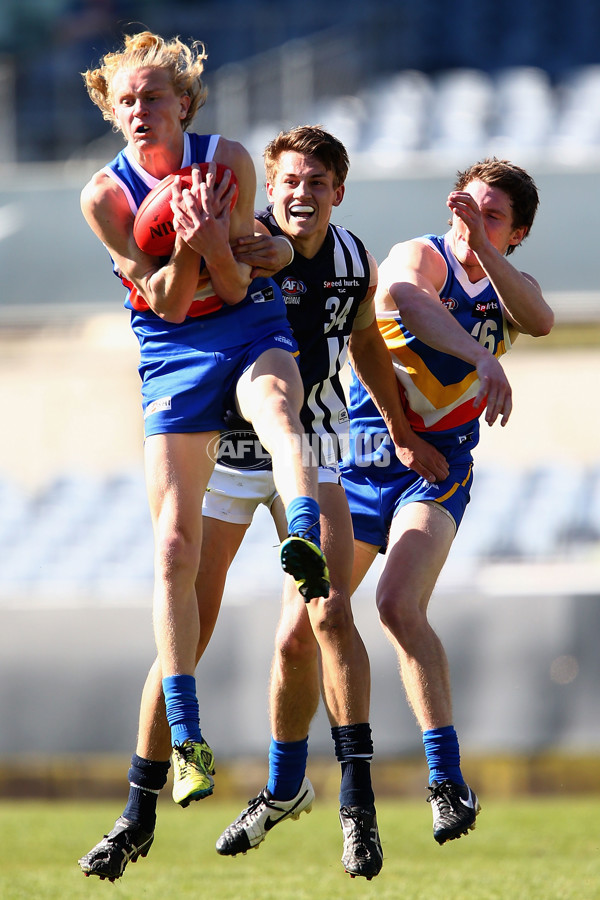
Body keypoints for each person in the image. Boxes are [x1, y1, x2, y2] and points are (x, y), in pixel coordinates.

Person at [78, 124, 447, 882]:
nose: (300, 194)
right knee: (189, 627)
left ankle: (357, 806)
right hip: (223, 447)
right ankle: (137, 812)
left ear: (338, 193)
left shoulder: (354, 260)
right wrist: (234, 248)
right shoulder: (249, 232)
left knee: (329, 615)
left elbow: (366, 347)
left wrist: (403, 433)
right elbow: (204, 285)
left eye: (317, 183)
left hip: (311, 446)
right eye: (288, 183)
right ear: (266, 191)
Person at [76, 32, 330, 879]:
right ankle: (186, 740)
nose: (143, 110)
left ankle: (305, 537)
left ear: (185, 103)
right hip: (170, 345)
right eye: (128, 101)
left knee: (278, 410)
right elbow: (172, 298)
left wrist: (228, 245)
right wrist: (190, 243)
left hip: (243, 321)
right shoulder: (104, 196)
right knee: (174, 548)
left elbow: (232, 287)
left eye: (157, 96)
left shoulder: (227, 160)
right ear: (112, 113)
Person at [340, 158, 554, 845]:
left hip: (437, 468)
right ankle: (322, 792)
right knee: (307, 620)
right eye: (468, 205)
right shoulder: (419, 255)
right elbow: (405, 299)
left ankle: (445, 777)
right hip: (366, 457)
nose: (471, 221)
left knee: (397, 605)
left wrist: (488, 254)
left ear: (516, 233)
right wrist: (483, 358)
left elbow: (542, 319)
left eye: (493, 216)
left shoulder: (507, 280)